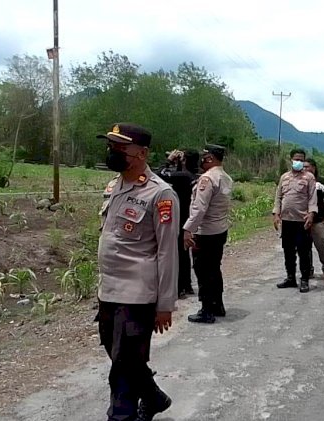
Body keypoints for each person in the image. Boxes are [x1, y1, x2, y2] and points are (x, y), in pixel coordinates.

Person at [96, 123, 178, 421]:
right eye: (111, 146)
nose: (112, 152)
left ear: (142, 153)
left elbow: (168, 252)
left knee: (123, 369)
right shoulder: (113, 186)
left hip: (138, 294)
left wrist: (165, 304)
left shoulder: (161, 194)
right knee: (119, 355)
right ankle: (154, 397)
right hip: (108, 290)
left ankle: (121, 416)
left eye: (120, 148)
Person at [183, 144, 233, 324]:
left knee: (203, 270)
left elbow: (199, 208)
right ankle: (217, 304)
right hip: (219, 229)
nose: (201, 160)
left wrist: (188, 229)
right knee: (214, 268)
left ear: (210, 158)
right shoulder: (225, 177)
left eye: (204, 157)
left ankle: (206, 309)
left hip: (205, 232)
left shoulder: (207, 179)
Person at [156, 149, 200, 298]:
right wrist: (179, 164)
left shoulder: (184, 176)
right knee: (183, 252)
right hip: (187, 216)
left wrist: (168, 160)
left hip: (179, 217)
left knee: (177, 253)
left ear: (185, 160)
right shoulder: (191, 175)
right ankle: (186, 285)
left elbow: (160, 174)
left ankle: (180, 287)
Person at [273, 148, 317, 293]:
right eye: (296, 159)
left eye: (301, 159)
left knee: (303, 251)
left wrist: (311, 214)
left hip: (302, 221)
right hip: (287, 220)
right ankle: (290, 278)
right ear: (291, 159)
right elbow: (278, 197)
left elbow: (312, 198)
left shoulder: (309, 177)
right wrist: (276, 214)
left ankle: (304, 279)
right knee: (288, 250)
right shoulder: (284, 177)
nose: (298, 162)